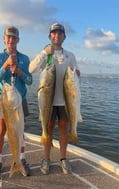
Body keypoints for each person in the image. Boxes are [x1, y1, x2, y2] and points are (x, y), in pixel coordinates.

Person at [29, 23, 80, 175]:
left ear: (64, 37)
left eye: (60, 33)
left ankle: (63, 159)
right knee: (48, 128)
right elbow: (31, 69)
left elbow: (74, 76)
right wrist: (44, 53)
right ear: (50, 36)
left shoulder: (70, 56)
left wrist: (77, 73)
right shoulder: (46, 54)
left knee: (63, 129)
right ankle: (46, 159)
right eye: (54, 33)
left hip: (65, 101)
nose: (56, 35)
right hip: (47, 100)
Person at [0, 26, 33, 179]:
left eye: (14, 37)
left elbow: (30, 80)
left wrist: (20, 72)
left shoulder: (25, 58)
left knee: (20, 130)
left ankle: (21, 159)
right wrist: (5, 65)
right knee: (2, 129)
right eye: (8, 37)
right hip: (4, 100)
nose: (11, 40)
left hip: (20, 99)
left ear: (18, 40)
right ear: (4, 38)